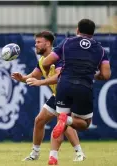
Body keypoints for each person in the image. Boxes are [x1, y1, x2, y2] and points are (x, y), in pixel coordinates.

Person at [42, 19, 111, 165]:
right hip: (84, 87)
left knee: (60, 118)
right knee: (84, 123)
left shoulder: (67, 43)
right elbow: (106, 75)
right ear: (92, 33)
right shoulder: (100, 49)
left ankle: (53, 156)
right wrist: (94, 75)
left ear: (77, 30)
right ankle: (66, 120)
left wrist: (48, 72)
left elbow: (46, 62)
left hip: (64, 84)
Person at [11, 31, 85, 162]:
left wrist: (40, 82)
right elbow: (33, 76)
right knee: (39, 120)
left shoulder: (56, 57)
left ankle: (79, 153)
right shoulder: (42, 61)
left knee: (63, 124)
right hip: (58, 94)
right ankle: (35, 153)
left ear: (48, 43)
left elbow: (59, 77)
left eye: (39, 42)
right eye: (35, 42)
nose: (36, 45)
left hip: (69, 93)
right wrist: (21, 78)